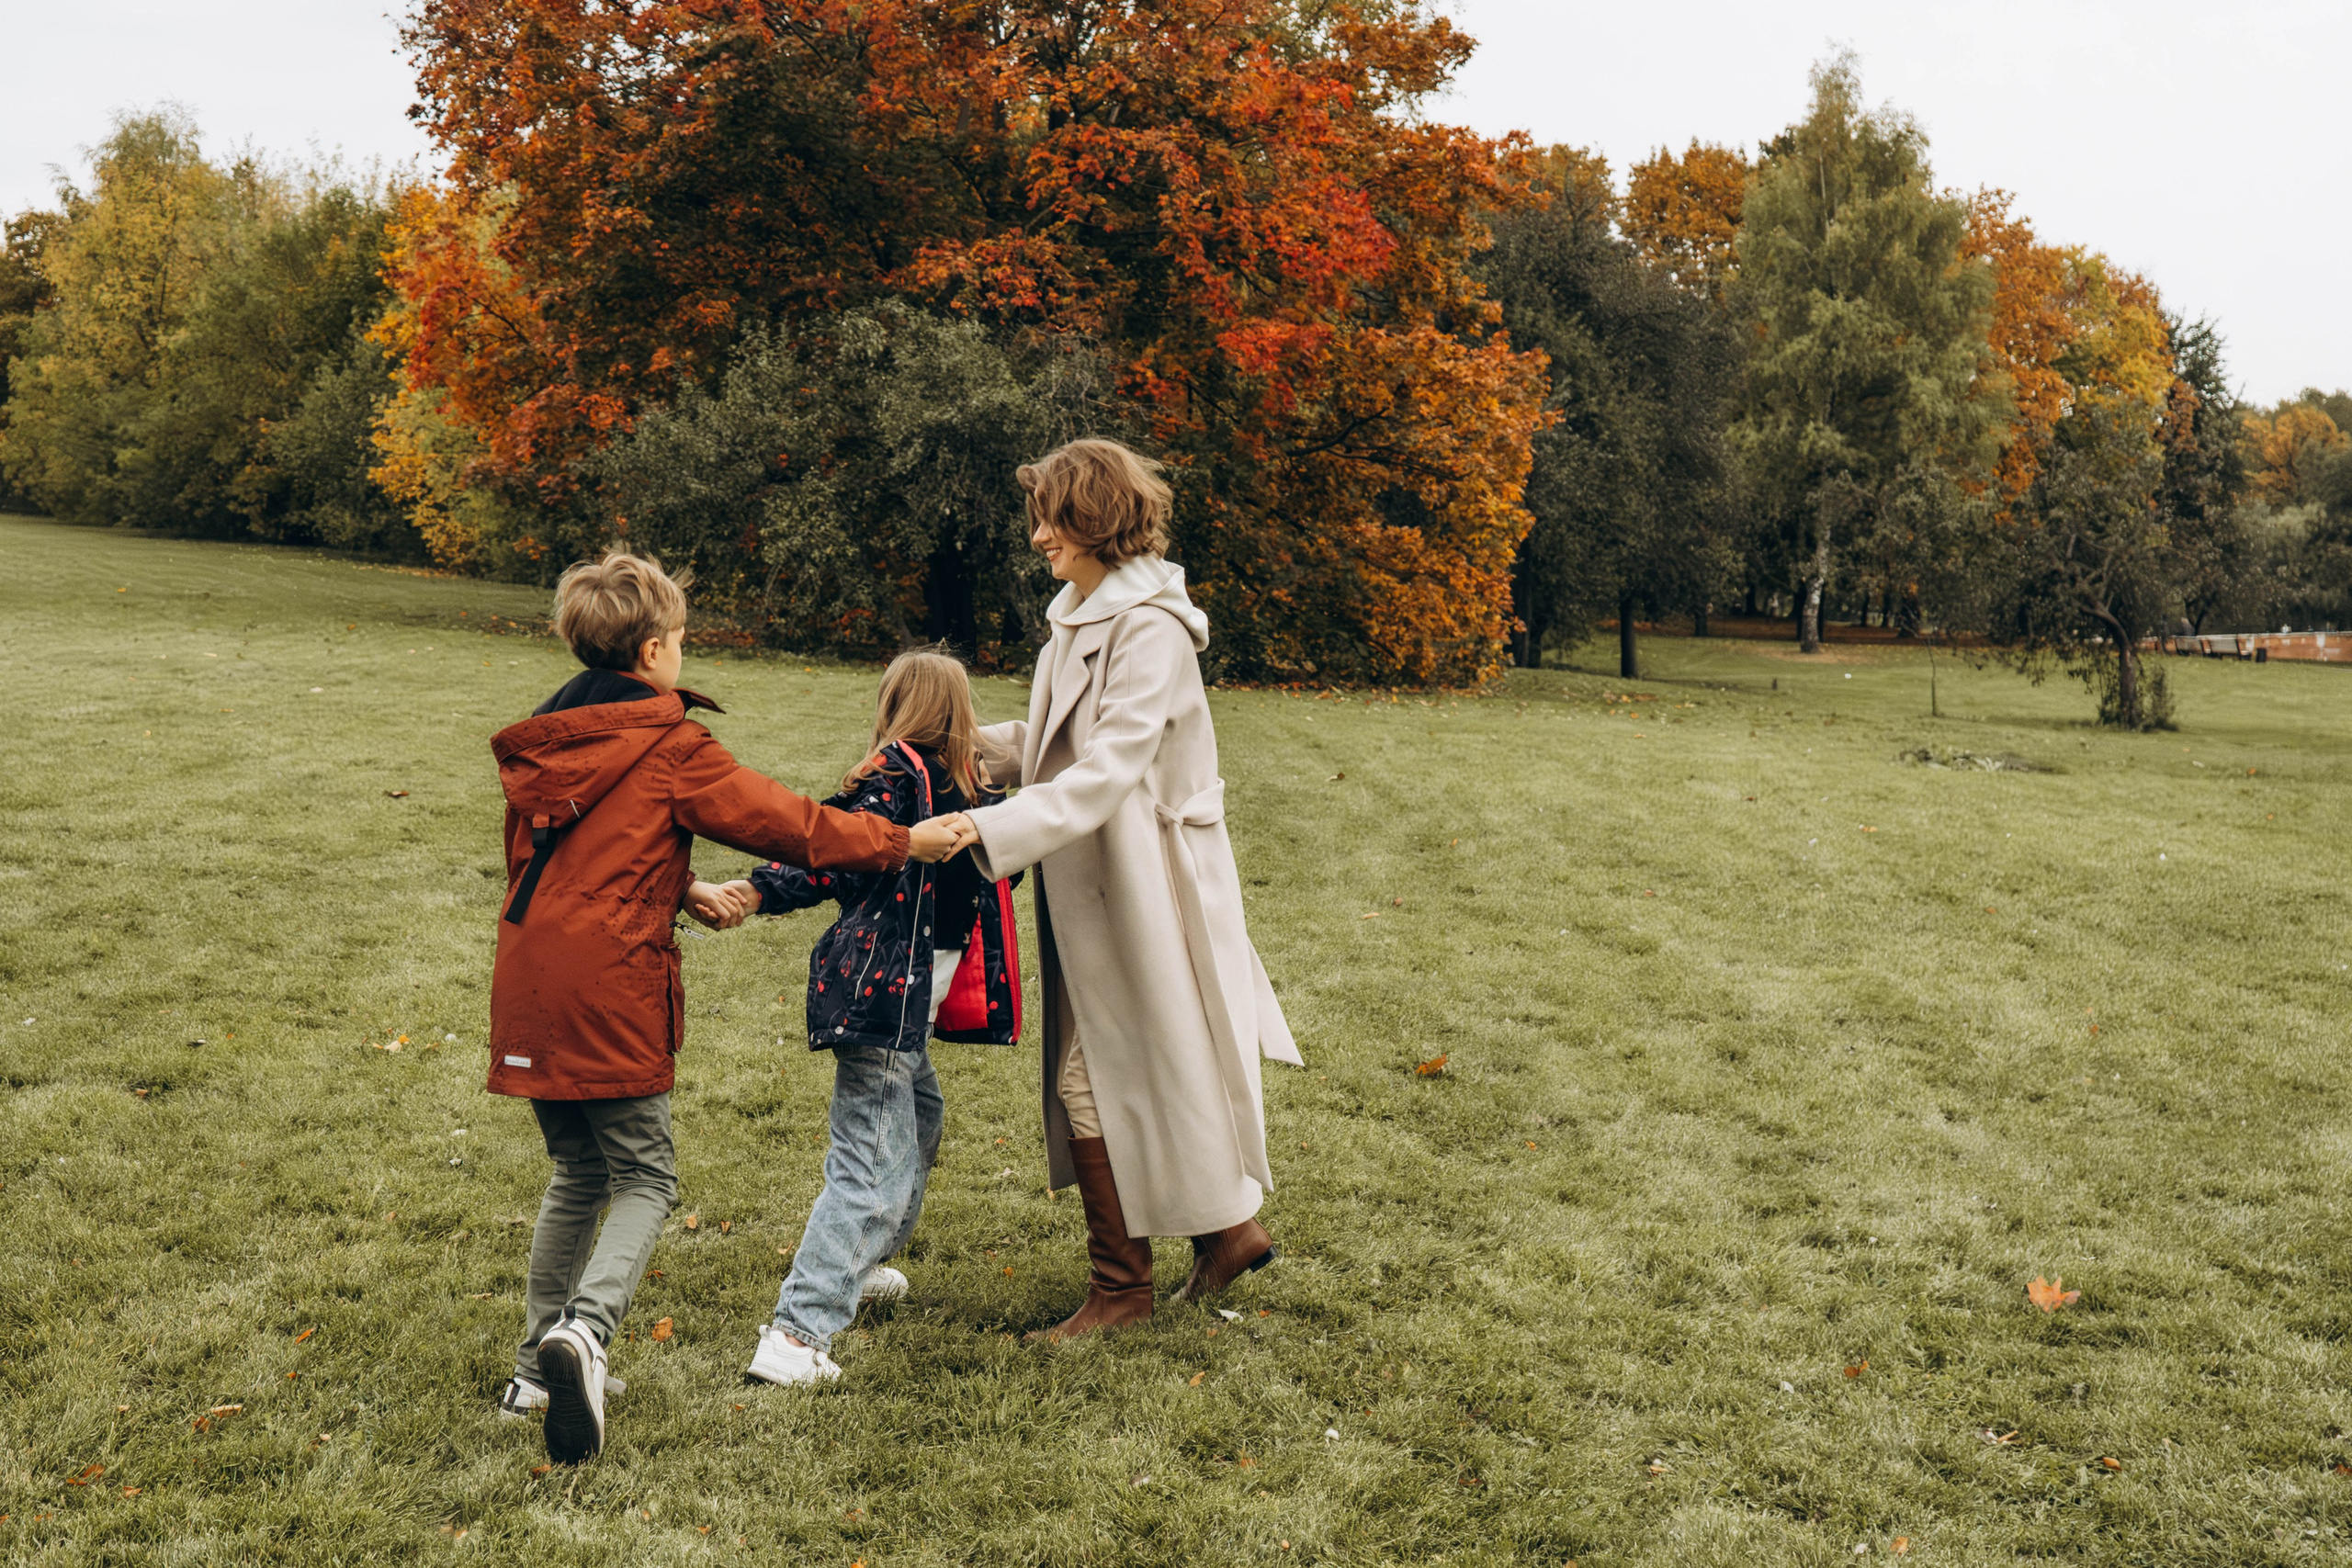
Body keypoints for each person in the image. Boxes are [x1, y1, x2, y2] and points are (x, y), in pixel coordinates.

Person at [486, 552, 966, 1464]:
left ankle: (530, 1371)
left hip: (528, 972)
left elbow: (562, 865)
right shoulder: (668, 745)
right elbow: (793, 823)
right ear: (658, 648)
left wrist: (674, 886)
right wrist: (904, 838)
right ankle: (582, 1337)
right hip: (610, 984)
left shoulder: (547, 736)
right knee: (645, 1177)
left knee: (577, 1170)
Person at [934, 439, 1301, 1342]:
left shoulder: (1149, 629)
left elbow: (1106, 772)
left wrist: (985, 827)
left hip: (1151, 885)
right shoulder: (1084, 612)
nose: (1036, 539)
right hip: (1098, 879)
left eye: (1049, 518)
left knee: (1092, 1072)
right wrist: (962, 744)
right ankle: (1226, 1231)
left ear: (1092, 518)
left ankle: (1119, 1292)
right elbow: (1062, 740)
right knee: (1149, 1056)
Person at [715, 647, 1022, 1387]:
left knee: (921, 1122)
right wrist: (759, 889)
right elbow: (827, 849)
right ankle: (796, 1335)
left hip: (904, 1005)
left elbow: (1014, 841)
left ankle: (864, 1260)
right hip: (879, 999)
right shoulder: (892, 781)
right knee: (870, 1168)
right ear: (954, 710)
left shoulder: (961, 786)